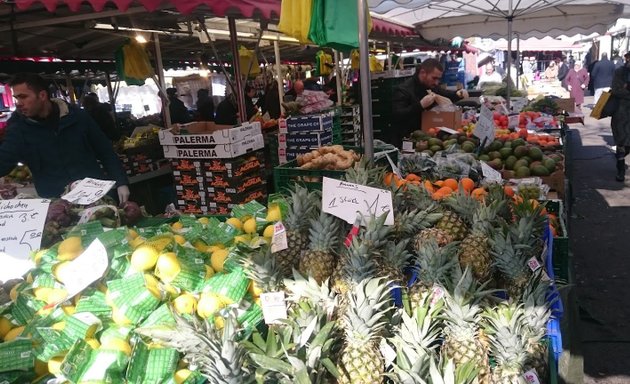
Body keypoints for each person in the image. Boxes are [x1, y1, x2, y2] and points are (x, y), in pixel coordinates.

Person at [0, 73, 129, 202]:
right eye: (16, 98)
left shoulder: (78, 117)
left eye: (23, 97)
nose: (18, 103)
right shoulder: (18, 129)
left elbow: (105, 151)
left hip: (94, 195)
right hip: (56, 203)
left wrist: (121, 182)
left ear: (42, 95)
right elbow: (4, 159)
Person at [391, 58, 469, 148]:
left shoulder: (431, 86)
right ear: (423, 72)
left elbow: (444, 94)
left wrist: (458, 94)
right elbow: (397, 115)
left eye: (438, 79)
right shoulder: (403, 90)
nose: (436, 82)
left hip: (428, 139)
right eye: (434, 78)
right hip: (407, 141)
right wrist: (420, 105)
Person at [610, 52, 630, 182]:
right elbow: (616, 90)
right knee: (621, 142)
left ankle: (619, 158)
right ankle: (620, 170)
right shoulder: (619, 72)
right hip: (621, 114)